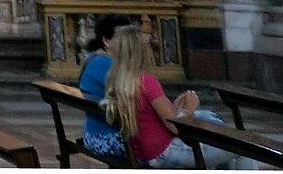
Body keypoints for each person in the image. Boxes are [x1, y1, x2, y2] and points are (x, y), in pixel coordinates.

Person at [101, 23, 248, 169]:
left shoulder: (117, 81)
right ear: (142, 51)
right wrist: (188, 110)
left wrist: (175, 105)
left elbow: (150, 116)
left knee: (213, 125)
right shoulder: (146, 81)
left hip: (143, 152)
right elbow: (176, 128)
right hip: (164, 151)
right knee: (244, 149)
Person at [74, 14, 128, 161]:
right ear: (106, 40)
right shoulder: (105, 64)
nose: (128, 43)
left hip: (95, 133)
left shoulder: (94, 57)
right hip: (108, 137)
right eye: (122, 37)